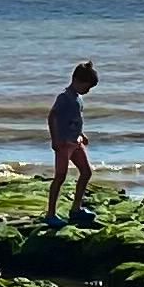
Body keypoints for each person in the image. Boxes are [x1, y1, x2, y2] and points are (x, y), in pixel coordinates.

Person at [46, 60, 99, 229]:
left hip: (76, 142)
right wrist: (55, 139)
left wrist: (81, 134)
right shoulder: (64, 97)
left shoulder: (78, 98)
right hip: (63, 142)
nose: (87, 91)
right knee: (60, 176)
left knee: (86, 171)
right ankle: (51, 214)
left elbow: (75, 119)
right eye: (87, 86)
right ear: (76, 80)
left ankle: (76, 208)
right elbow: (52, 116)